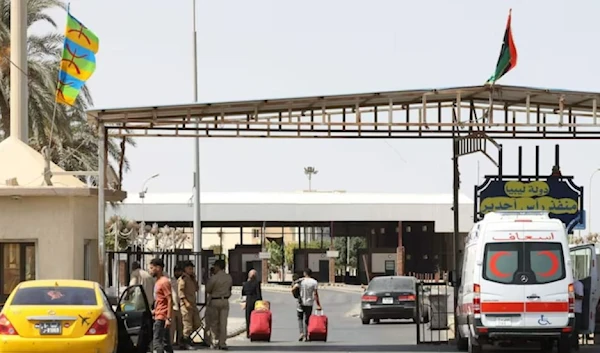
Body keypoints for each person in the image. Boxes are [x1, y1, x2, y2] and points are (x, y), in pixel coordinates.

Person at [206, 259, 233, 350]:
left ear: (217, 266)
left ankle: (215, 341)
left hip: (215, 300)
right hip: (225, 301)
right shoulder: (228, 277)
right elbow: (230, 289)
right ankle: (223, 343)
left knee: (214, 322)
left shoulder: (214, 278)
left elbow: (208, 289)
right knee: (223, 323)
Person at [149, 258, 173, 353]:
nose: (150, 270)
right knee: (166, 343)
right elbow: (160, 300)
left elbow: (169, 299)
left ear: (158, 268)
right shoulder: (158, 281)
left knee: (157, 342)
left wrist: (168, 318)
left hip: (162, 317)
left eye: (152, 268)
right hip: (158, 314)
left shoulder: (164, 282)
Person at [292, 268, 321, 342]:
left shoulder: (301, 281)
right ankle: (306, 335)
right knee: (307, 319)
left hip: (300, 302)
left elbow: (293, 288)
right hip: (309, 303)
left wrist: (295, 295)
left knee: (300, 318)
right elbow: (315, 294)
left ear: (304, 273)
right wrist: (318, 304)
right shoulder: (314, 282)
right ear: (311, 274)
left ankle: (301, 333)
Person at [178, 260, 200, 350]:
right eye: (189, 268)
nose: (191, 270)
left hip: (193, 304)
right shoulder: (183, 279)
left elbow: (197, 289)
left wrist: (194, 279)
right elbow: (181, 292)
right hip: (186, 305)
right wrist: (185, 302)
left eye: (192, 269)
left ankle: (186, 338)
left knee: (197, 323)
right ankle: (185, 342)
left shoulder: (191, 278)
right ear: (185, 269)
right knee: (187, 325)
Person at [241, 269, 262, 338]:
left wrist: (243, 302)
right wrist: (260, 302)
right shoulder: (257, 283)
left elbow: (243, 293)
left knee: (248, 318)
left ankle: (248, 333)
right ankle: (255, 331)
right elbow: (259, 294)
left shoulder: (245, 284)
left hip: (248, 301)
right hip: (255, 302)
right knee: (256, 318)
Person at [170, 264, 184, 349]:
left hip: (181, 305)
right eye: (177, 271)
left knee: (180, 325)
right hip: (173, 306)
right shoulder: (171, 281)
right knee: (172, 326)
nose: (179, 273)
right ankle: (171, 343)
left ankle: (180, 342)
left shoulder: (183, 280)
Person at [573, 276, 584, 351]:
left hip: (576, 310)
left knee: (575, 330)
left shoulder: (578, 284)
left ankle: (575, 346)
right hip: (570, 310)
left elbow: (581, 297)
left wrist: (572, 294)